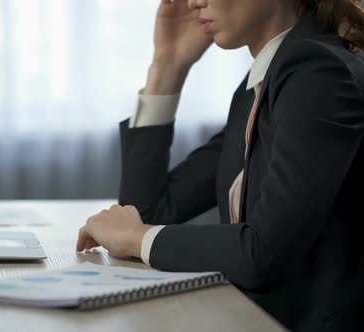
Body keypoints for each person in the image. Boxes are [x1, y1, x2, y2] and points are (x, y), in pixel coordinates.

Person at [75, 0, 364, 331]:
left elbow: (262, 253)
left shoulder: (319, 73)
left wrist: (137, 236)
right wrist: (167, 68)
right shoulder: (262, 84)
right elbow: (149, 212)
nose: (194, 2)